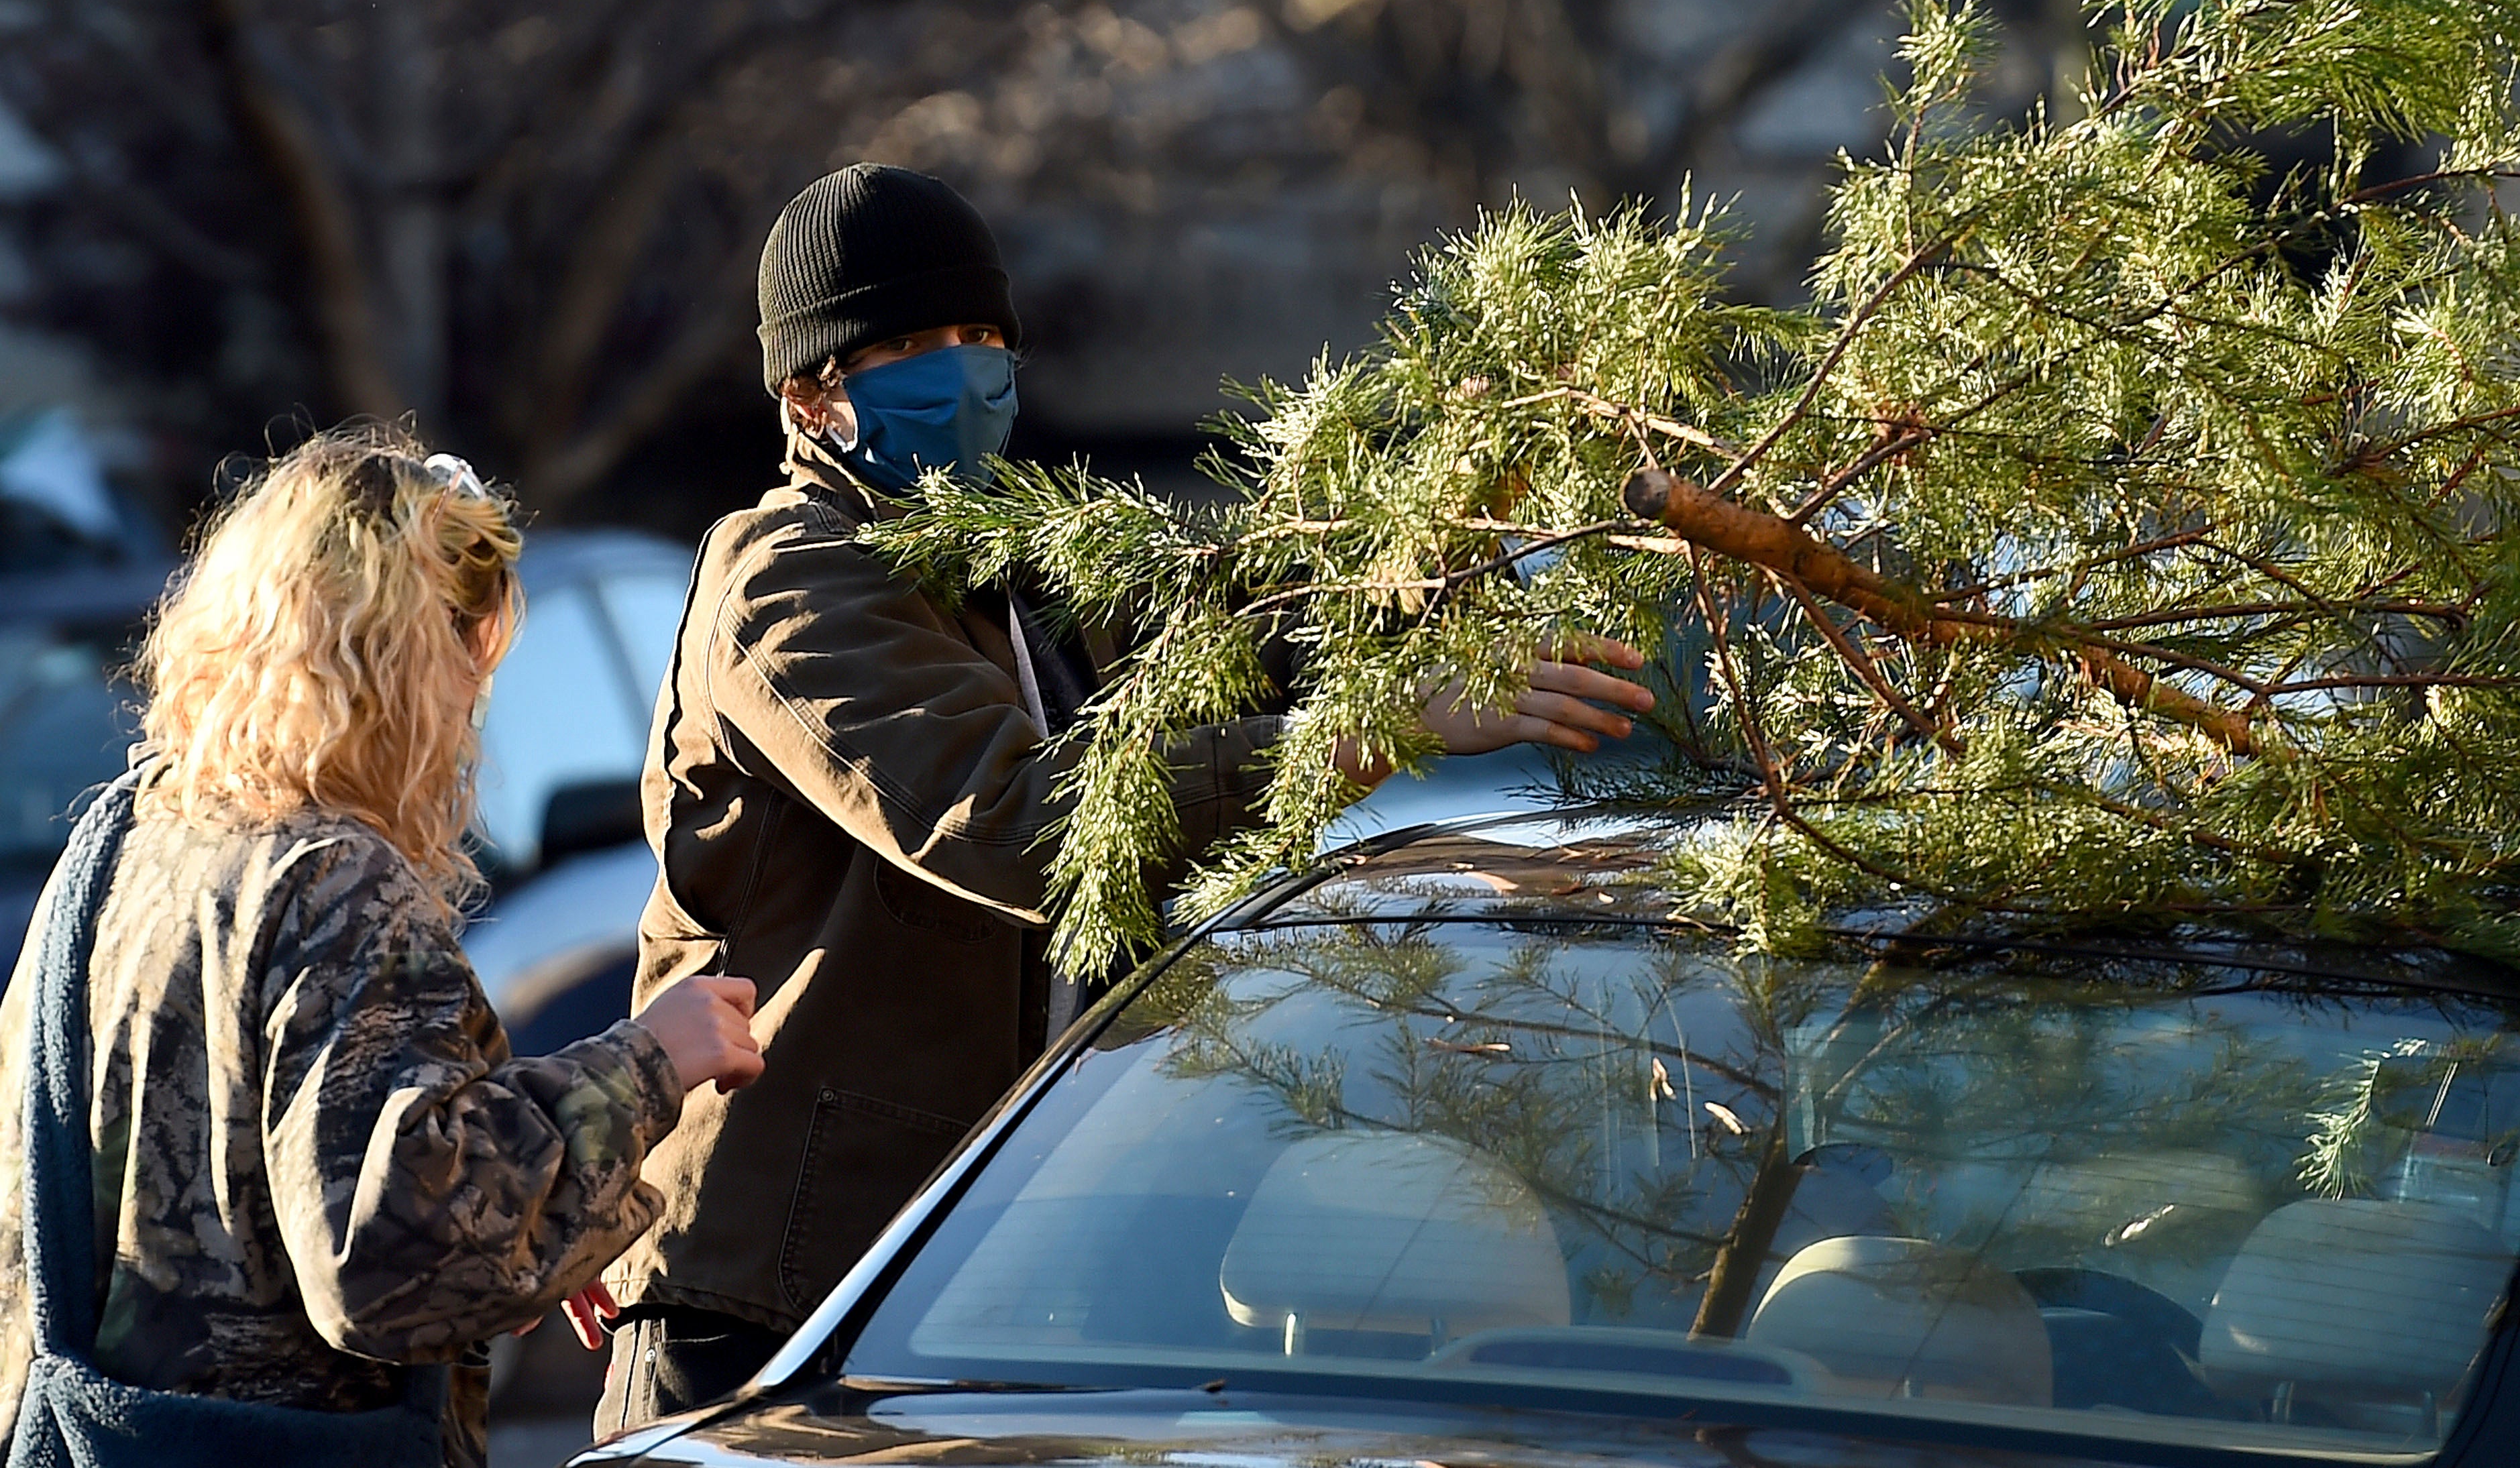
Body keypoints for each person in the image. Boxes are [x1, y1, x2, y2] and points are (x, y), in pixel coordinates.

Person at [589, 164, 1655, 1436]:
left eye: (986, 338)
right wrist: (1361, 734)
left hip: (966, 1286)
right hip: (775, 1293)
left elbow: (1245, 639)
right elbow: (1013, 826)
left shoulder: (1007, 571)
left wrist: (1455, 513)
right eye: (917, 346)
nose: (970, 372)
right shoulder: (793, 579)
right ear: (811, 395)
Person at [0, 427, 764, 1468]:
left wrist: (538, 1211)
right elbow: (395, 1266)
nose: (471, 703)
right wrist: (646, 1067)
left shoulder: (127, 841)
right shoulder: (331, 879)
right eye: (465, 653)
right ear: (398, 654)